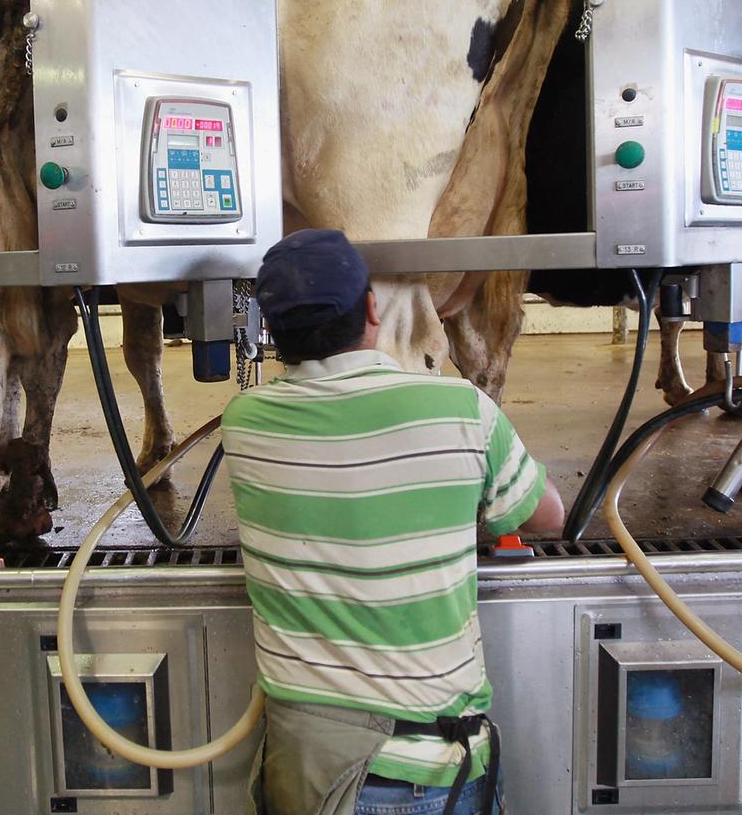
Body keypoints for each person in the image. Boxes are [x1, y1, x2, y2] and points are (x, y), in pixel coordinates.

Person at [226, 228, 565, 815]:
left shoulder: (245, 421)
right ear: (372, 309)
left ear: (271, 331)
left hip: (311, 775)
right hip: (434, 770)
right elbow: (548, 516)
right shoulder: (461, 407)